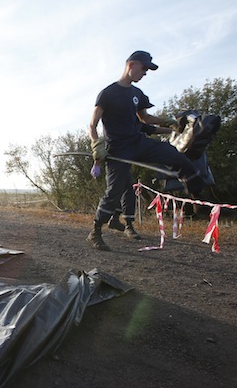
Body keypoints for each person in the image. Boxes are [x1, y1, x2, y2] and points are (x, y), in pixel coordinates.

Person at [87, 50, 205, 251]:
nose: (145, 73)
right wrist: (96, 145)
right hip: (118, 149)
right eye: (144, 68)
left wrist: (169, 123)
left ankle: (197, 197)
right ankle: (96, 231)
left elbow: (146, 119)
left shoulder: (137, 94)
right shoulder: (108, 93)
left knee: (176, 155)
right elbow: (92, 124)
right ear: (131, 65)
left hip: (139, 142)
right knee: (115, 191)